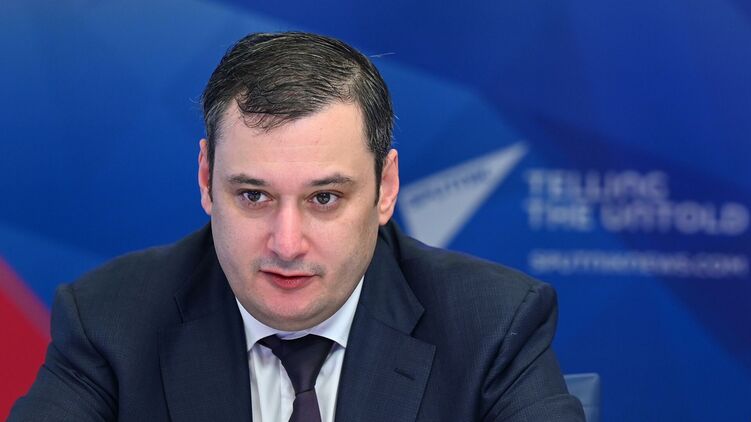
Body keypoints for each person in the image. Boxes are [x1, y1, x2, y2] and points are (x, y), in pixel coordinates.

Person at [10, 32, 585, 421]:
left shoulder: (492, 323)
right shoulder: (109, 320)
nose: (286, 244)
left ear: (385, 188)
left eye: (325, 198)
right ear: (206, 179)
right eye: (253, 196)